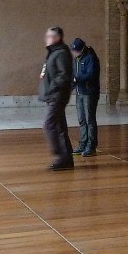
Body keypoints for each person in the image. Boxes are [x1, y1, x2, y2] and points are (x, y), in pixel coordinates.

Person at [40, 26, 74, 171]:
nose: (46, 38)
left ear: (57, 38)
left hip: (57, 95)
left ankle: (60, 156)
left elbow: (64, 75)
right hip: (53, 95)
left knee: (49, 124)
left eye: (49, 36)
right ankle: (66, 158)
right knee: (59, 126)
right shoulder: (54, 53)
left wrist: (51, 87)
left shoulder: (60, 53)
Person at [70, 38, 101, 157]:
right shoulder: (77, 59)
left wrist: (77, 79)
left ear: (82, 49)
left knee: (90, 120)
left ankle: (91, 146)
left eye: (76, 51)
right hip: (79, 92)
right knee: (82, 120)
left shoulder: (91, 58)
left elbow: (90, 75)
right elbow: (74, 73)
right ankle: (83, 143)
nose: (74, 53)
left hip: (89, 93)